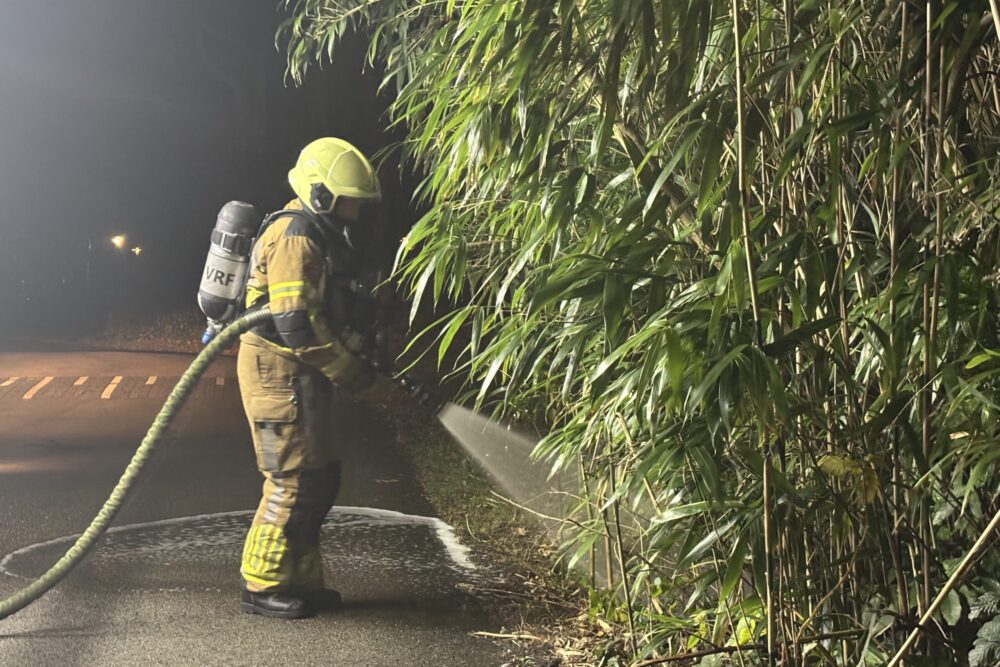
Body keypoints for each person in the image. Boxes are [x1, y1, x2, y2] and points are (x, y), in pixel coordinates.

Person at [236, 137, 382, 619]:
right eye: (349, 203)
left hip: (302, 371)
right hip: (277, 372)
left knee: (321, 476)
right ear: (321, 194)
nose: (354, 213)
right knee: (291, 479)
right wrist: (348, 368)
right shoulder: (295, 237)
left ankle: (299, 580)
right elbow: (295, 324)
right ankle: (261, 584)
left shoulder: (315, 234)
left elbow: (321, 313)